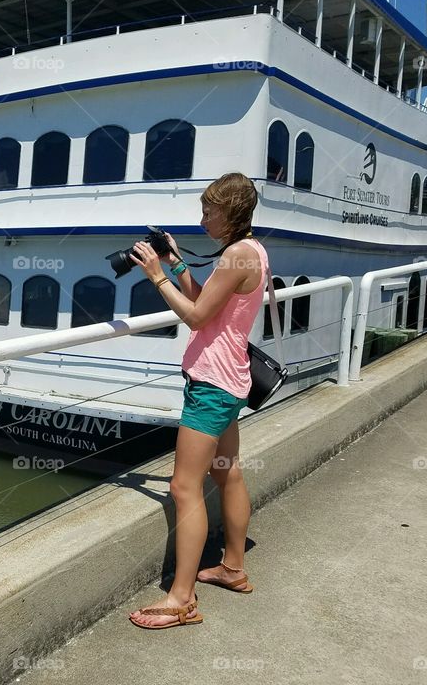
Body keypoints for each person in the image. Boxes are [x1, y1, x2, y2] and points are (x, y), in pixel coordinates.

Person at [127, 172, 269, 630]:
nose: (203, 217)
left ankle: (181, 599)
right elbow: (210, 305)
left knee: (184, 487)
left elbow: (194, 316)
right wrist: (178, 264)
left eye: (210, 210)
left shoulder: (236, 255)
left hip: (211, 385)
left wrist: (155, 276)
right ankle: (232, 567)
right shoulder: (252, 251)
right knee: (228, 474)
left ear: (232, 212)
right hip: (231, 380)